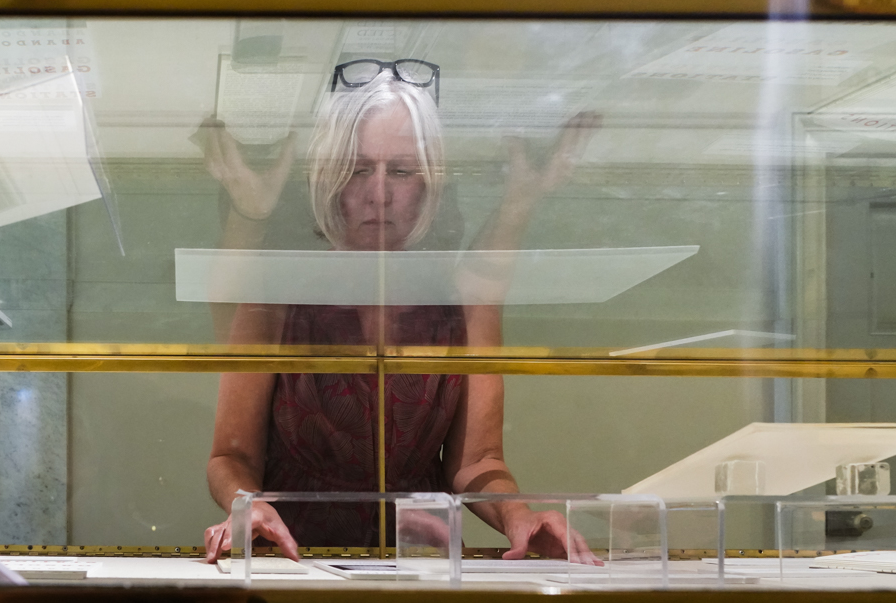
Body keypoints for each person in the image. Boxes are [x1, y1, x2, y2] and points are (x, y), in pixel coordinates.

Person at [201, 64, 600, 563]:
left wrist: (517, 516)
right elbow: (230, 456)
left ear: (430, 183)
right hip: (293, 563)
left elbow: (478, 460)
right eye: (359, 169)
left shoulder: (459, 304)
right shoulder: (278, 297)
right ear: (328, 177)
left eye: (403, 171)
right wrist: (247, 505)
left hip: (423, 561)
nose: (380, 192)